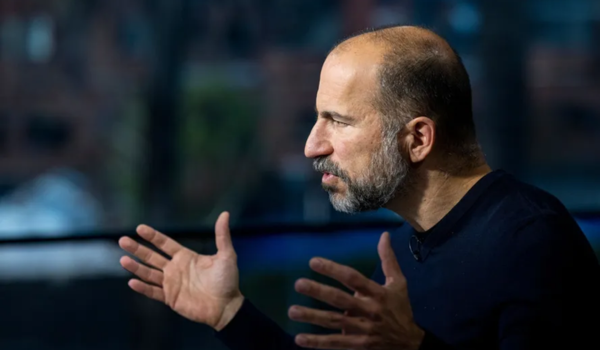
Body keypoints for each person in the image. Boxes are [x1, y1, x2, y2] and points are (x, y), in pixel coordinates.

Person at [117, 25, 600, 350]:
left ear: (417, 139)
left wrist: (415, 346)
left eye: (338, 121)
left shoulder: (533, 243)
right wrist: (230, 314)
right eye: (316, 118)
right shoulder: (406, 248)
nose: (311, 146)